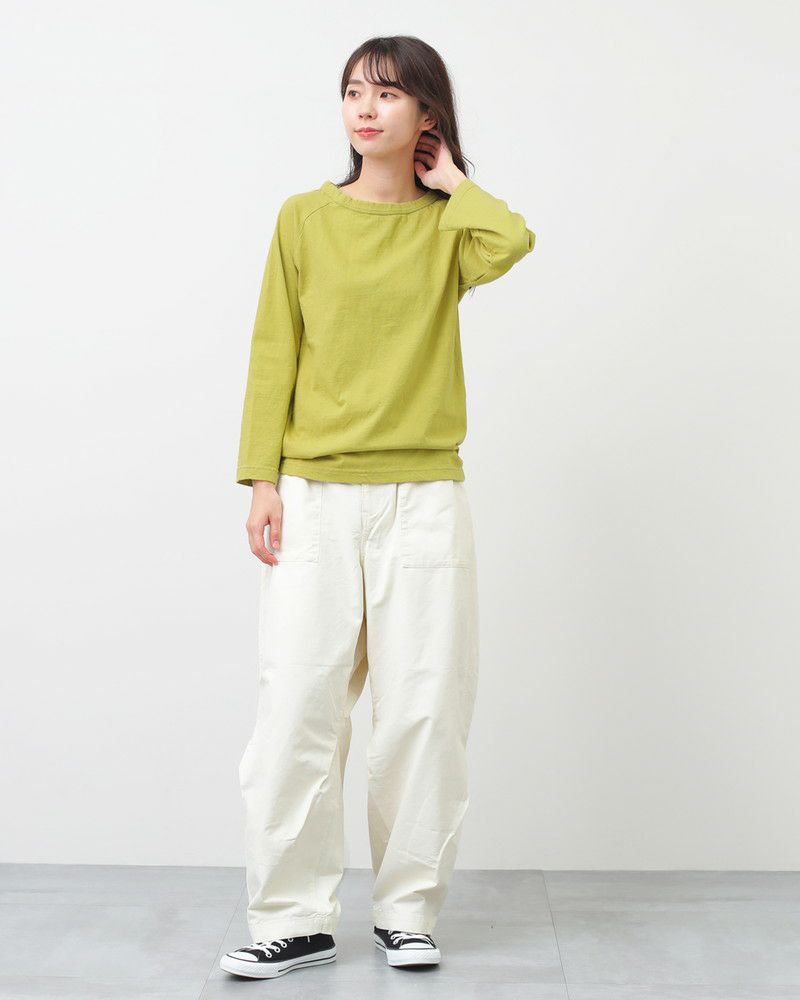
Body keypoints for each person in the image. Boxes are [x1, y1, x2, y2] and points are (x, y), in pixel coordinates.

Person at [220, 35, 536, 981]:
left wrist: (452, 181)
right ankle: (293, 918)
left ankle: (407, 912)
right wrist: (261, 477)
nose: (365, 108)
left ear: (427, 115)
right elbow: (273, 348)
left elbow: (512, 241)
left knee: (424, 710)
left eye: (390, 95)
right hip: (314, 493)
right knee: (298, 707)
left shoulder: (448, 230)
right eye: (354, 91)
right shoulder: (304, 219)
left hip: (425, 494)